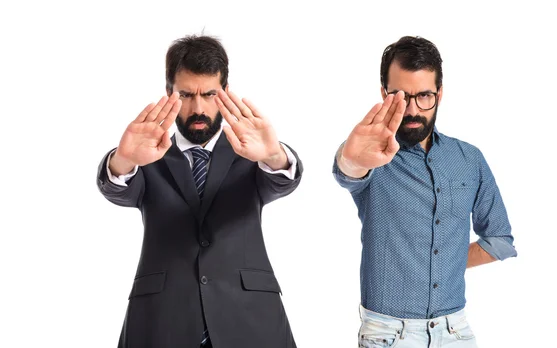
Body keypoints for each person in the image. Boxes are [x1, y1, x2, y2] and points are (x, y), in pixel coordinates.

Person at [96, 34, 302, 348]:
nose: (198, 108)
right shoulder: (147, 152)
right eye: (186, 95)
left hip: (249, 319)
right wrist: (123, 160)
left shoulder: (250, 151)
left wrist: (273, 155)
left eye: (209, 94)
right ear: (169, 92)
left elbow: (281, 181)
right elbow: (119, 190)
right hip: (162, 321)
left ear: (225, 92)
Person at [332, 36, 517, 347]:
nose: (413, 109)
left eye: (425, 96)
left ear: (440, 94)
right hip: (388, 334)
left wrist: (439, 261)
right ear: (384, 94)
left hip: (456, 330)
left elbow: (499, 240)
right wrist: (350, 159)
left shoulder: (469, 159)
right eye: (402, 96)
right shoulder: (371, 155)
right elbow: (348, 172)